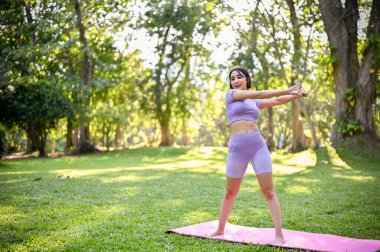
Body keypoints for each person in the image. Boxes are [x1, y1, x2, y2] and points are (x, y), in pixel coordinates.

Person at [209, 66, 308, 245]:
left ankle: (279, 234)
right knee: (230, 192)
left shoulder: (252, 101)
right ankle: (220, 228)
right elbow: (261, 93)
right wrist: (289, 88)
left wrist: (296, 95)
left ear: (247, 79)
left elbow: (277, 100)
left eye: (239, 77)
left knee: (268, 191)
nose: (236, 81)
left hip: (257, 146)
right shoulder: (231, 95)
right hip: (237, 149)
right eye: (232, 78)